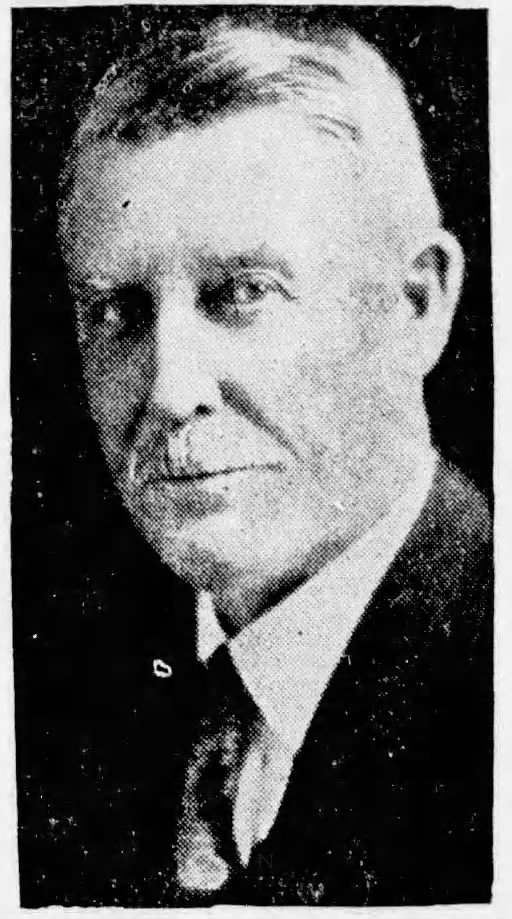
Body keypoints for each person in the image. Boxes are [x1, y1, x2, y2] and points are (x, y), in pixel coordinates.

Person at [24, 19, 492, 907]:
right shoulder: (78, 707)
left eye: (241, 293)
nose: (168, 390)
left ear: (416, 304)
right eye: (118, 311)